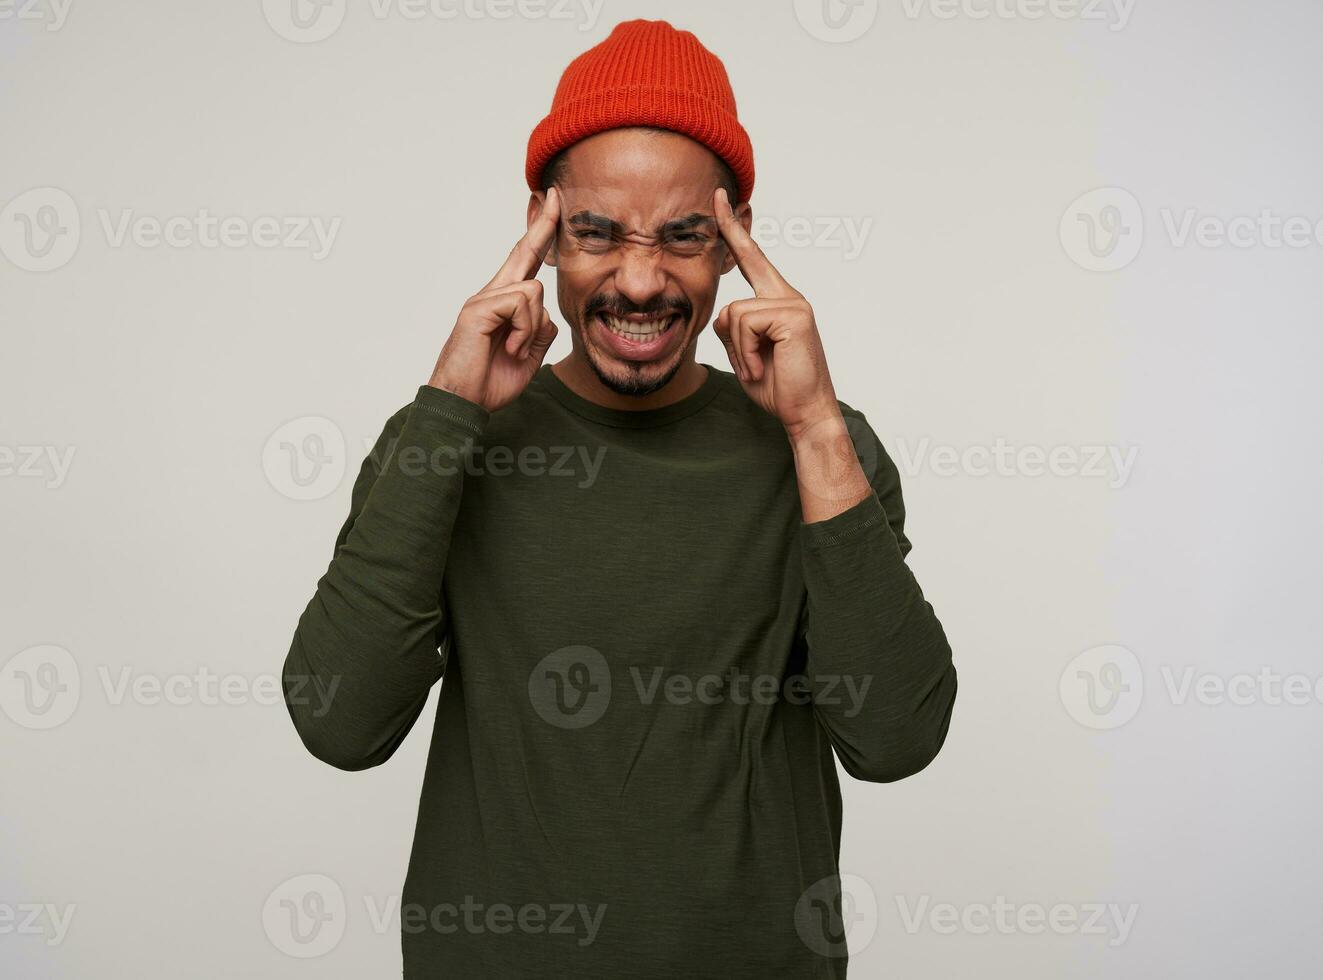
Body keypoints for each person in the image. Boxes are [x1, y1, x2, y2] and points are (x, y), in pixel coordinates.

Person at [282, 18, 957, 977]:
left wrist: (813, 432)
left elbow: (896, 737)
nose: (639, 282)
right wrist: (445, 410)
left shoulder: (824, 451)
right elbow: (340, 723)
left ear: (735, 242)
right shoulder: (447, 440)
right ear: (542, 229)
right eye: (597, 233)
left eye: (683, 237)